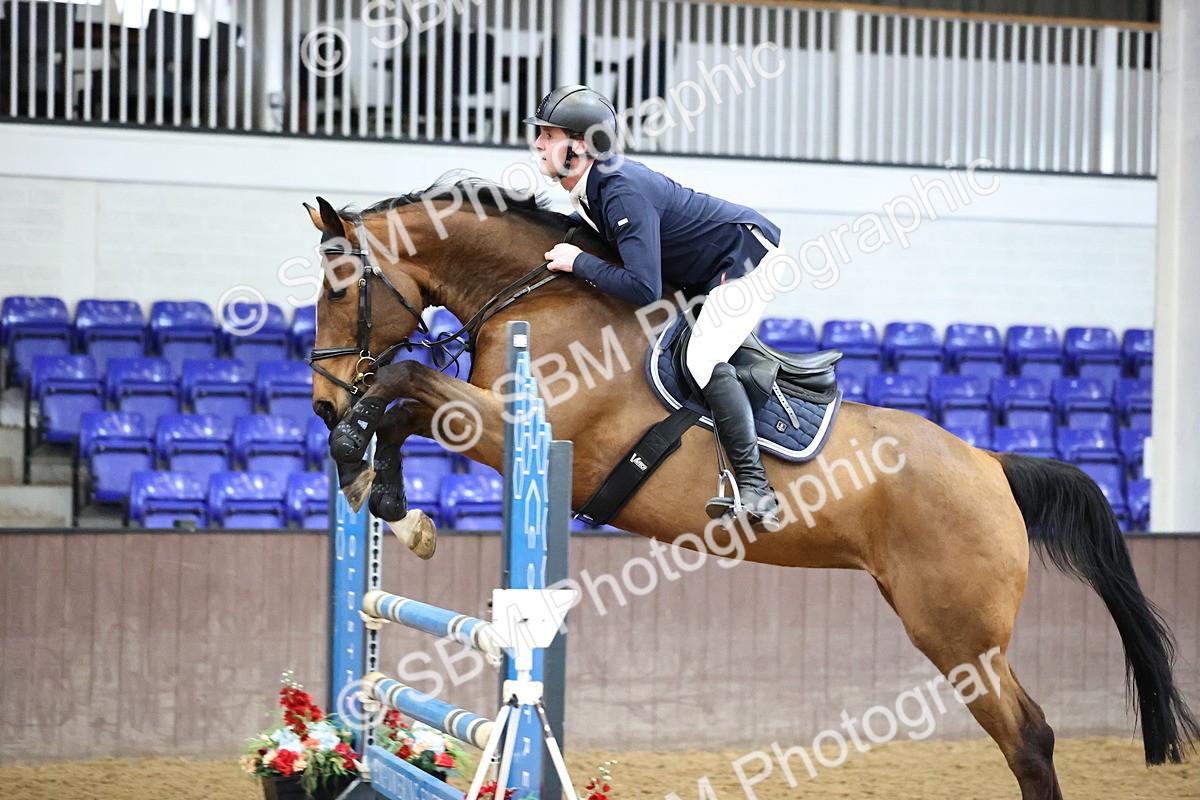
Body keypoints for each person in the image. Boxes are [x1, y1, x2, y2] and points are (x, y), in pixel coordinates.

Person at [525, 84, 787, 532]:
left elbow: (644, 287)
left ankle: (757, 490)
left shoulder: (618, 188)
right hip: (705, 269)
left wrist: (579, 262)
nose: (537, 144)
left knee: (702, 359)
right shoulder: (592, 186)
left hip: (744, 259)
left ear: (581, 145)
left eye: (548, 135)